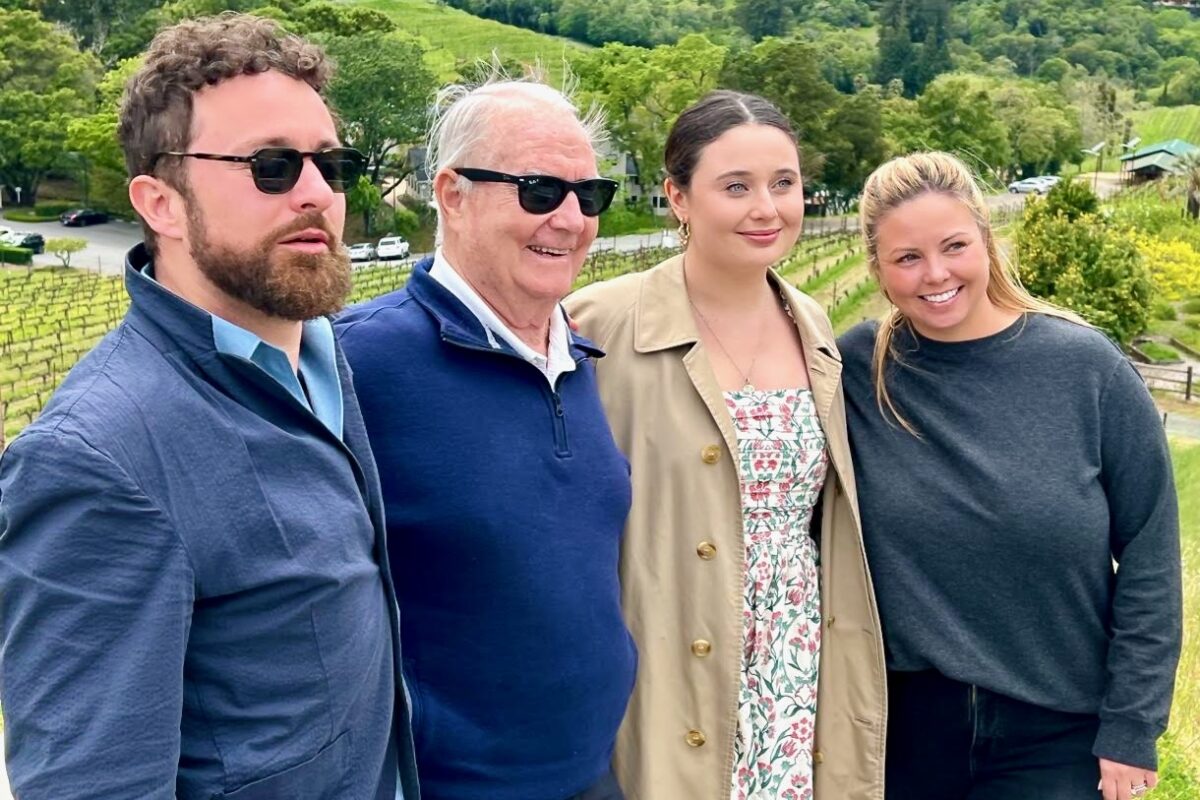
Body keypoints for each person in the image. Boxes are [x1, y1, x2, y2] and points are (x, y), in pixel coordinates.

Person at [0, 14, 419, 800]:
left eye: (333, 165)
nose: (317, 194)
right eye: (271, 166)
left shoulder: (321, 359)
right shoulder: (98, 457)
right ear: (160, 203)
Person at [565, 90, 886, 800]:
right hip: (665, 661)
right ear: (678, 197)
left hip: (798, 668)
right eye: (735, 186)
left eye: (784, 184)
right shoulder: (600, 325)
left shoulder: (813, 325)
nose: (766, 208)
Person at [837, 151, 1182, 800]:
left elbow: (1151, 553)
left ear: (988, 243)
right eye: (907, 258)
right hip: (898, 735)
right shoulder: (855, 371)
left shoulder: (1086, 369)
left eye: (954, 246)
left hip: (1056, 738)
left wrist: (1132, 727)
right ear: (879, 273)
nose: (935, 274)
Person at [334, 78, 635, 800]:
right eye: (538, 190)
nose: (570, 219)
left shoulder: (576, 360)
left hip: (591, 774)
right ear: (452, 193)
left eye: (588, 195)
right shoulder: (358, 364)